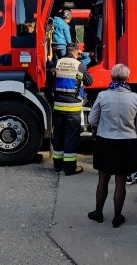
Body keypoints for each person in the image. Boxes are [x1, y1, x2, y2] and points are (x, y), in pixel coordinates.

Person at [87, 64, 137, 228]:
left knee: (102, 180)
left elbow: (92, 120)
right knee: (120, 182)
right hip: (127, 144)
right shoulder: (136, 98)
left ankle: (98, 213)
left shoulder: (102, 96)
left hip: (105, 141)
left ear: (111, 78)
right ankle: (117, 217)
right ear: (128, 78)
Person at [51, 44, 93, 176]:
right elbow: (89, 81)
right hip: (72, 107)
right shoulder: (79, 65)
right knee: (71, 137)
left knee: (58, 135)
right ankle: (69, 168)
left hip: (58, 105)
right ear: (76, 52)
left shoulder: (57, 63)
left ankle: (58, 166)